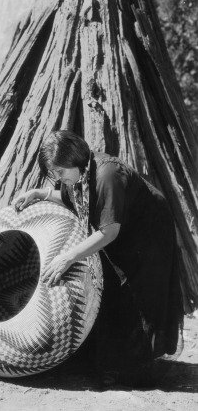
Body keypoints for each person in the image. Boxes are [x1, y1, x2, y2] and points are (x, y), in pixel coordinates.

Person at [13, 130, 184, 387]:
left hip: (148, 231)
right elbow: (74, 198)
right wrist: (40, 194)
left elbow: (109, 231)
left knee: (139, 293)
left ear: (76, 159)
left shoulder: (107, 174)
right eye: (54, 174)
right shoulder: (80, 173)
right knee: (115, 289)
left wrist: (67, 257)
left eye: (60, 172)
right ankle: (116, 363)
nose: (58, 179)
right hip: (122, 229)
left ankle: (137, 369)